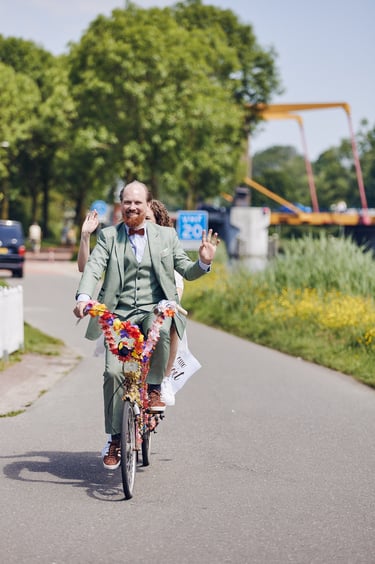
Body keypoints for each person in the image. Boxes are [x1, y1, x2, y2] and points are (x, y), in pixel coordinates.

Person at [73, 180, 219, 470]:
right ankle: (115, 438)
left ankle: (154, 386)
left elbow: (186, 270)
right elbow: (92, 268)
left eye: (138, 202)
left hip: (154, 308)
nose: (132, 207)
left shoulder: (165, 236)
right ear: (121, 205)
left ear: (146, 203)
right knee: (112, 373)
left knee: (164, 325)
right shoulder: (109, 237)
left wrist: (202, 263)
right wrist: (83, 297)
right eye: (127, 202)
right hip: (120, 314)